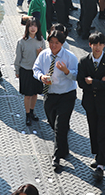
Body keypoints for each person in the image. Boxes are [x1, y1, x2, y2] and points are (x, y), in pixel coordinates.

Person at [33, 30, 79, 171]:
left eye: (56, 43)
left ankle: (57, 156)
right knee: (53, 123)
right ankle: (63, 148)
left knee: (61, 125)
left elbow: (76, 76)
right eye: (51, 42)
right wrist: (41, 77)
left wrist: (66, 71)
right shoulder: (43, 54)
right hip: (50, 94)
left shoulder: (70, 57)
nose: (53, 45)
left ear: (62, 43)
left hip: (66, 95)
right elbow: (36, 69)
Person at [76, 32, 105, 180]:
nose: (97, 47)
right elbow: (81, 82)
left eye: (100, 44)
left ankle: (101, 164)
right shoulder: (83, 61)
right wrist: (100, 81)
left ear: (104, 45)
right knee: (93, 131)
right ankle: (97, 154)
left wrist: (93, 82)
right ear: (90, 45)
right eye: (95, 44)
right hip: (90, 103)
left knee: (103, 133)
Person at [14, 18, 45, 126]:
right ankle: (27, 114)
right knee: (27, 95)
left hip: (37, 71)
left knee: (35, 93)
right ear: (27, 28)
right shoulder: (21, 41)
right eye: (31, 25)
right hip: (25, 70)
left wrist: (40, 54)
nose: (33, 28)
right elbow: (18, 57)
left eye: (35, 26)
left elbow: (44, 58)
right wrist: (17, 70)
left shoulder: (41, 40)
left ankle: (32, 112)